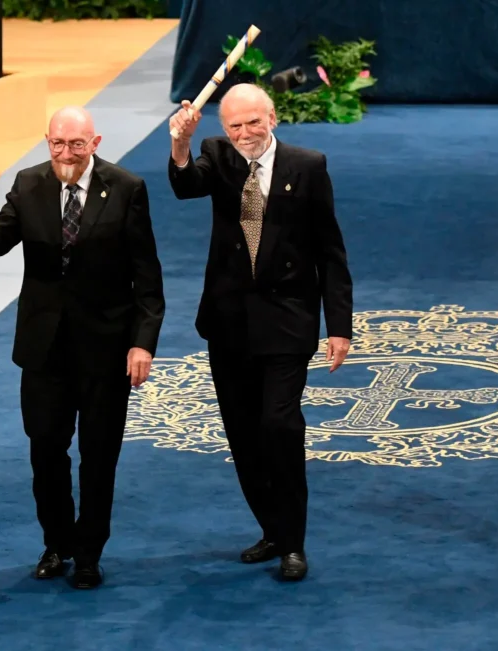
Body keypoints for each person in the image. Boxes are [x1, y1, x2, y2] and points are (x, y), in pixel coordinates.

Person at [0, 106, 165, 589]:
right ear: (47, 141)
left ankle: (89, 553)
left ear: (95, 143)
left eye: (76, 144)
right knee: (46, 451)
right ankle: (57, 543)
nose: (66, 153)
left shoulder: (127, 188)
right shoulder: (28, 183)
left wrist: (142, 343)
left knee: (99, 456)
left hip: (106, 350)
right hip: (44, 350)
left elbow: (147, 275)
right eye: (58, 144)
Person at [167, 83, 354, 581]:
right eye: (235, 125)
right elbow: (186, 185)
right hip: (228, 323)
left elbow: (330, 251)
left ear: (273, 118)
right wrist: (181, 143)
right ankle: (272, 528)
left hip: (287, 321)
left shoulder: (308, 166)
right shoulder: (217, 156)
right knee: (244, 435)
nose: (245, 132)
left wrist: (339, 326)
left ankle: (293, 543)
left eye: (254, 121)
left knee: (280, 426)